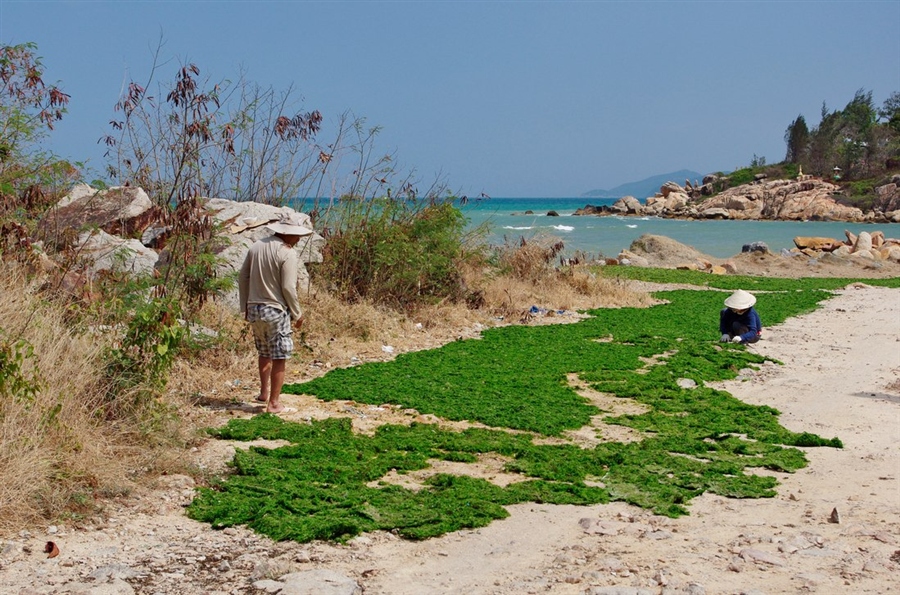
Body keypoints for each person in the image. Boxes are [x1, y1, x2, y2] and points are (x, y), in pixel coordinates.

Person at [238, 212, 313, 413]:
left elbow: (243, 277)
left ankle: (264, 393)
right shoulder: (287, 252)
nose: (298, 240)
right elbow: (288, 287)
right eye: (297, 235)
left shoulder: (256, 246)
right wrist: (297, 313)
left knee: (264, 352)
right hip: (275, 310)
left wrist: (244, 306)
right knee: (279, 356)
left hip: (254, 308)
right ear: (287, 233)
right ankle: (274, 403)